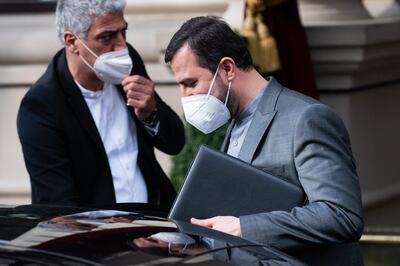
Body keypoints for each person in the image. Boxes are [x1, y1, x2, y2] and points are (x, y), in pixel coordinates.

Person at [164, 16, 364, 265]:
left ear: (227, 69)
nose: (186, 96)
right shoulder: (233, 120)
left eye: (190, 83)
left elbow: (341, 215)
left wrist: (244, 228)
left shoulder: (307, 118)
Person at [17, 0, 184, 209]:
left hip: (156, 220)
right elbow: (58, 206)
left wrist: (151, 113)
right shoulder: (42, 106)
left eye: (124, 32)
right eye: (107, 37)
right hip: (99, 233)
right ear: (72, 42)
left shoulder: (127, 61)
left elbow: (175, 142)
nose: (121, 45)